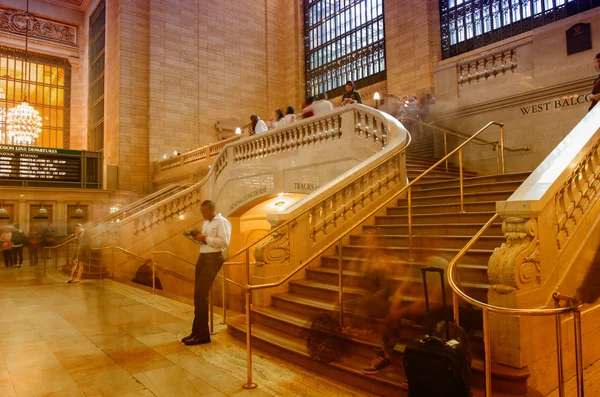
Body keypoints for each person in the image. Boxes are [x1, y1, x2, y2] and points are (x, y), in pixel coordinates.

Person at [181, 200, 232, 346]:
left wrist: (206, 238)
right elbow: (207, 241)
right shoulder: (206, 223)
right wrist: (198, 238)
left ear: (212, 210)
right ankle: (196, 331)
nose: (203, 215)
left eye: (204, 212)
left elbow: (224, 242)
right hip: (202, 257)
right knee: (197, 296)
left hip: (213, 258)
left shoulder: (222, 222)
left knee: (200, 295)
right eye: (201, 212)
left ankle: (203, 335)